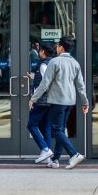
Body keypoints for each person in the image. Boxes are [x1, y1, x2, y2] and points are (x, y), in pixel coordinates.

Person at [29, 36, 90, 170]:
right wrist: (85, 102)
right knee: (60, 130)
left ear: (61, 47)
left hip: (57, 101)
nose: (56, 48)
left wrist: (34, 98)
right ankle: (55, 160)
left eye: (57, 46)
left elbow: (45, 83)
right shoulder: (75, 63)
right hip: (70, 101)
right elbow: (81, 85)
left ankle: (74, 154)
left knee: (56, 130)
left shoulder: (54, 62)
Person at [27, 42, 56, 164]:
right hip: (50, 101)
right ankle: (48, 157)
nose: (39, 52)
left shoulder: (43, 64)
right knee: (46, 127)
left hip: (42, 101)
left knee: (31, 125)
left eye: (40, 50)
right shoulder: (51, 63)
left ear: (43, 52)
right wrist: (34, 77)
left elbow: (45, 83)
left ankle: (45, 149)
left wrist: (33, 98)